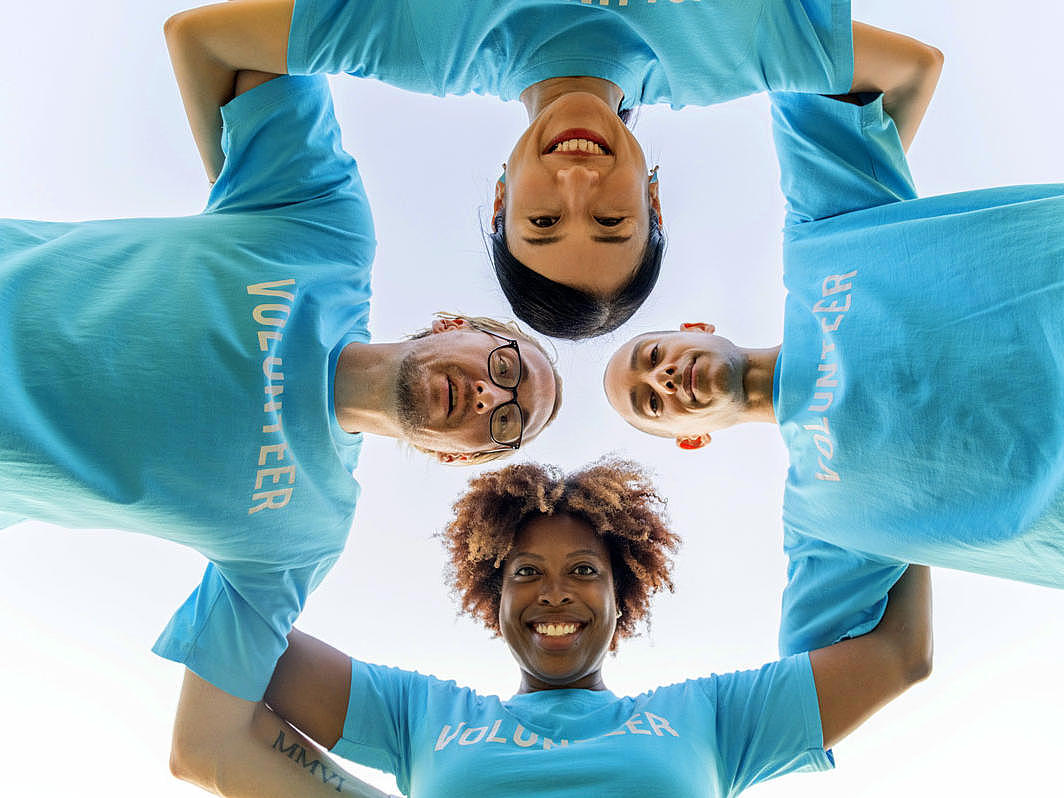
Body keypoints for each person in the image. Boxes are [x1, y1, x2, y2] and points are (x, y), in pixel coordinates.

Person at [0, 54, 560, 719]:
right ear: (454, 325)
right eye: (505, 368)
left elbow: (210, 741)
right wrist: (239, 175)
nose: (491, 397)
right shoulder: (326, 232)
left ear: (454, 456)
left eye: (505, 423)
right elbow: (248, 46)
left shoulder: (306, 531)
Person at [602, 34, 1064, 655]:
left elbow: (861, 62)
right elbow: (839, 671)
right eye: (651, 403)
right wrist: (907, 527)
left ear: (696, 329)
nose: (661, 379)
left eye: (652, 356)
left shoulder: (820, 238)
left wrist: (672, 51)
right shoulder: (824, 524)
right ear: (692, 438)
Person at [167, 459, 932, 796]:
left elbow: (899, 656)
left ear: (623, 595)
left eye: (585, 571)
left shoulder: (713, 717)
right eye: (526, 572)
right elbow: (238, 638)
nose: (555, 593)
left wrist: (916, 468)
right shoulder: (419, 716)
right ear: (492, 597)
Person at [165, 0, 923, 338]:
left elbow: (202, 40)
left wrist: (251, 227)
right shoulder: (732, 61)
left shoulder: (425, 47)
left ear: (500, 198)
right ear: (655, 202)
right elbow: (910, 72)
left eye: (544, 221)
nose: (578, 184)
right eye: (612, 220)